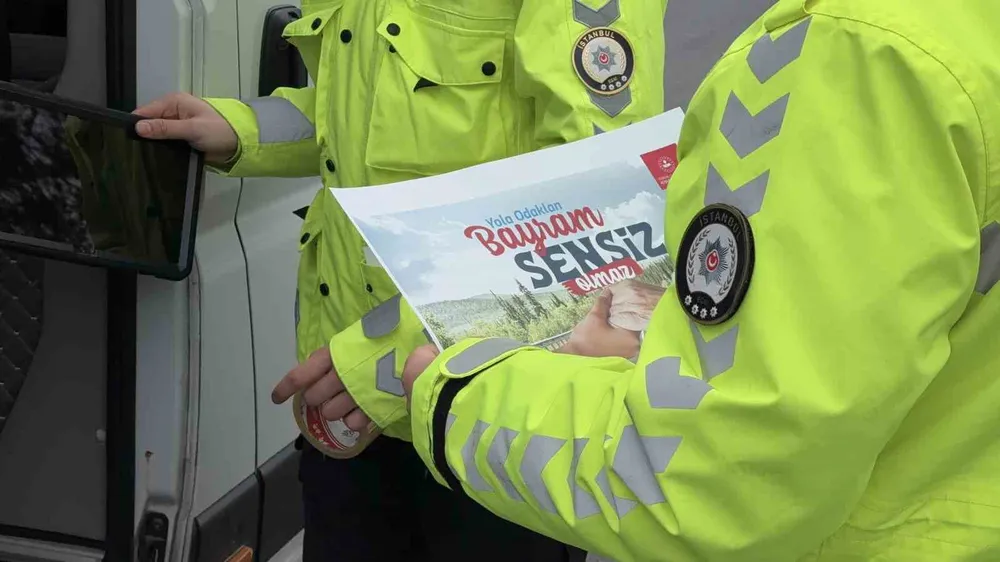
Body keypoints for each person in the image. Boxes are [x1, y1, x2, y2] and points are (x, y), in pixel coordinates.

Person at [272, 0, 1000, 559]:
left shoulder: (865, 52)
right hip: (361, 368)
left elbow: (600, 204)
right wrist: (243, 132)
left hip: (468, 379)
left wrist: (408, 367)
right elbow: (342, 114)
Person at [133, 0, 669, 559]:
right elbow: (356, 111)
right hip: (351, 409)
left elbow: (605, 194)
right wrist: (237, 127)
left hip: (491, 414)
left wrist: (382, 363)